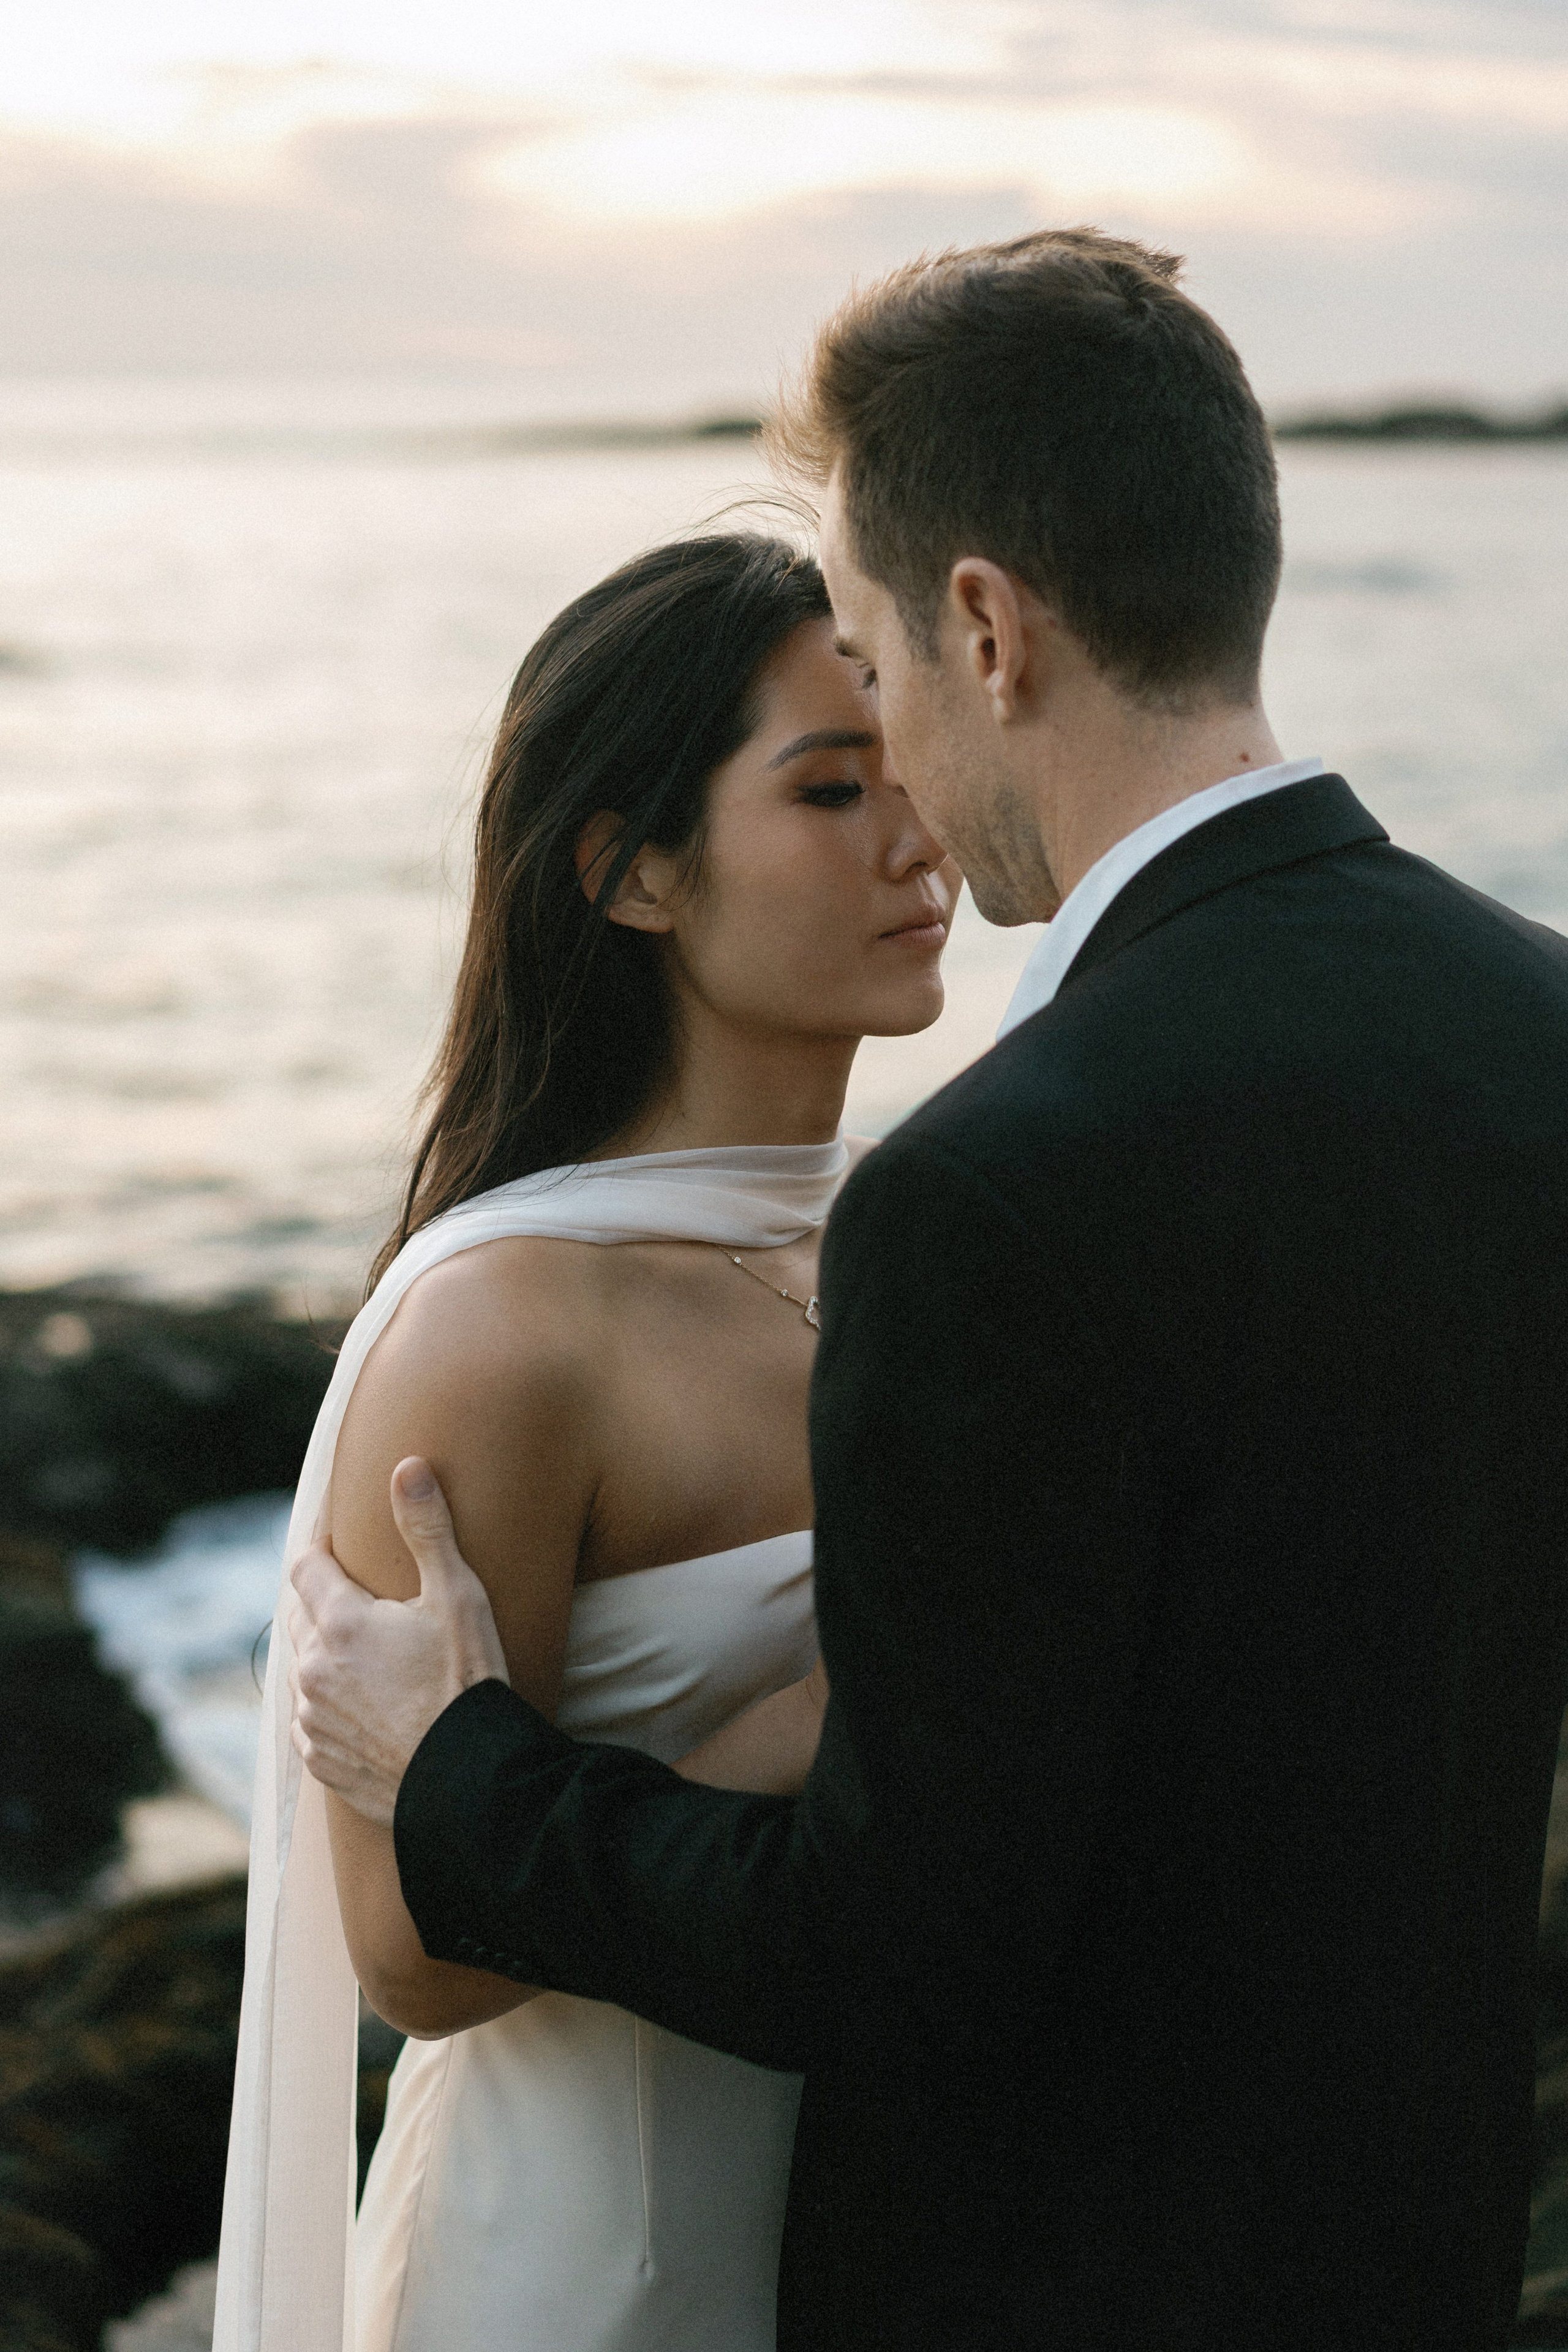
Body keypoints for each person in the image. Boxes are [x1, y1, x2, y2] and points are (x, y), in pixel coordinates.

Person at [293, 230, 1568, 2352]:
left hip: (1041, 2273)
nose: (891, 773)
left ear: (981, 626)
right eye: (825, 761)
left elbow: (913, 1924)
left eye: (874, 667)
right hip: (1407, 2241)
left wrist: (472, 1775)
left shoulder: (995, 1189)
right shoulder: (1533, 1025)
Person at [211, 530, 957, 2352]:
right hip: (591, 2271)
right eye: (832, 789)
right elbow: (412, 1954)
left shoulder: (907, 1238)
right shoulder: (508, 1330)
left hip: (886, 2230)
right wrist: (813, 1723)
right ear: (631, 874)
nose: (917, 838)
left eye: (914, 768)